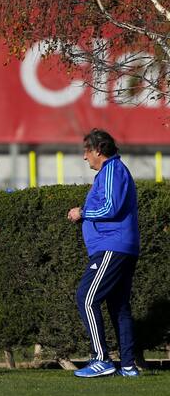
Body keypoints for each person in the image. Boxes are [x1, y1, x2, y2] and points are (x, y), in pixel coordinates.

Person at [67, 129, 140, 378]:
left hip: (113, 246)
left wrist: (83, 212)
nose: (84, 157)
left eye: (86, 151)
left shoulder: (111, 170)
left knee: (86, 297)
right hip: (117, 245)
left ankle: (101, 359)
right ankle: (128, 366)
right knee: (119, 306)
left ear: (98, 150)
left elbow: (111, 207)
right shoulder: (110, 172)